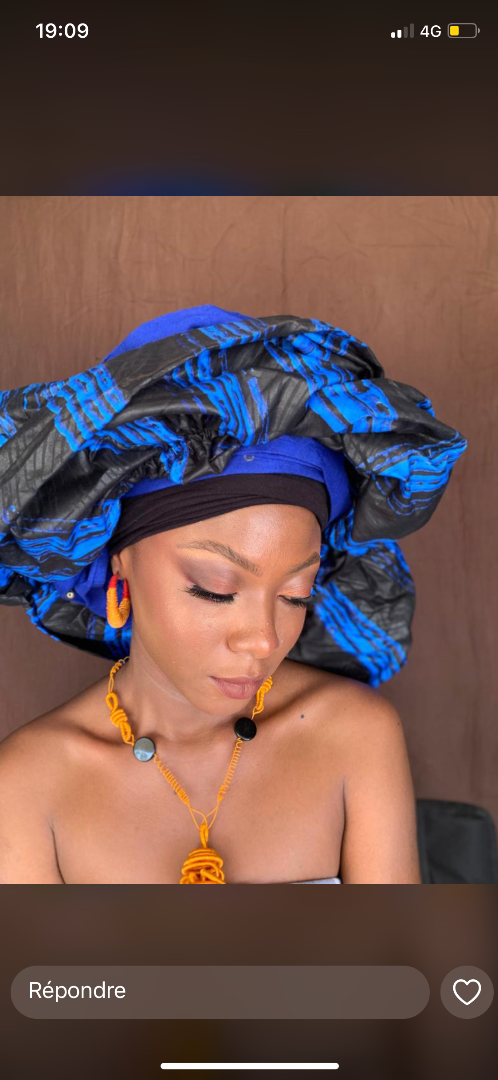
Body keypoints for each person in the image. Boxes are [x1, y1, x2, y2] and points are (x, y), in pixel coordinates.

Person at [0, 305, 467, 884]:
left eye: (296, 595)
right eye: (216, 589)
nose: (264, 640)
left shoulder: (354, 736)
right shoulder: (27, 786)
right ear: (119, 563)